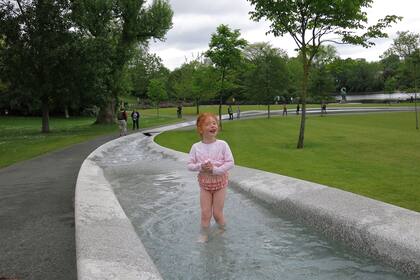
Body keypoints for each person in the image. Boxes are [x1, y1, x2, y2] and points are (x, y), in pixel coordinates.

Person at [187, 112, 234, 243]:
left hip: (220, 183)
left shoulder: (222, 144)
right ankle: (204, 233)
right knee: (205, 213)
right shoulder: (196, 147)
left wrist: (215, 170)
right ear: (200, 129)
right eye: (208, 124)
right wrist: (201, 167)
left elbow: (230, 162)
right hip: (205, 185)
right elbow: (189, 165)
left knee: (217, 213)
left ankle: (223, 229)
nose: (212, 126)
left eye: (214, 123)